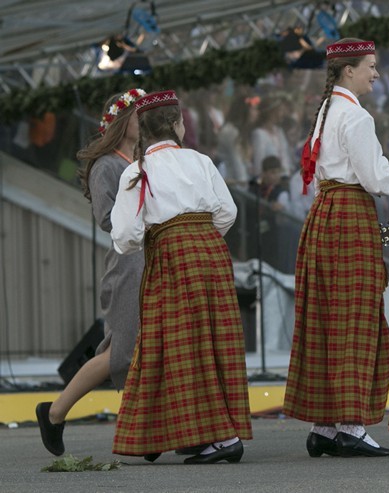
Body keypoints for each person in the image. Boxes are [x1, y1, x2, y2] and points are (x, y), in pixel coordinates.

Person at [282, 38, 389, 458]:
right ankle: (351, 427)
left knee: (328, 319)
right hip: (349, 217)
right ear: (348, 70)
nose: (376, 73)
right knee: (356, 318)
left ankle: (325, 426)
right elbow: (378, 180)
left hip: (324, 215)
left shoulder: (326, 111)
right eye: (371, 66)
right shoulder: (355, 116)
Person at [109, 90, 252, 464]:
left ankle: (218, 440)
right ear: (176, 125)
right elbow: (228, 211)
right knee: (216, 339)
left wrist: (165, 235)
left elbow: (124, 237)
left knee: (181, 346)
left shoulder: (137, 171)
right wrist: (200, 235)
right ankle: (211, 433)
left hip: (173, 257)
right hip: (212, 253)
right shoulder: (200, 160)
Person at [35, 88, 147, 456]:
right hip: (128, 266)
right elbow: (105, 218)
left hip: (148, 261)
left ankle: (144, 431)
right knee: (123, 353)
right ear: (120, 122)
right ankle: (54, 413)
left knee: (135, 349)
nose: (142, 120)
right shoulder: (108, 166)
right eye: (136, 114)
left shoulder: (142, 159)